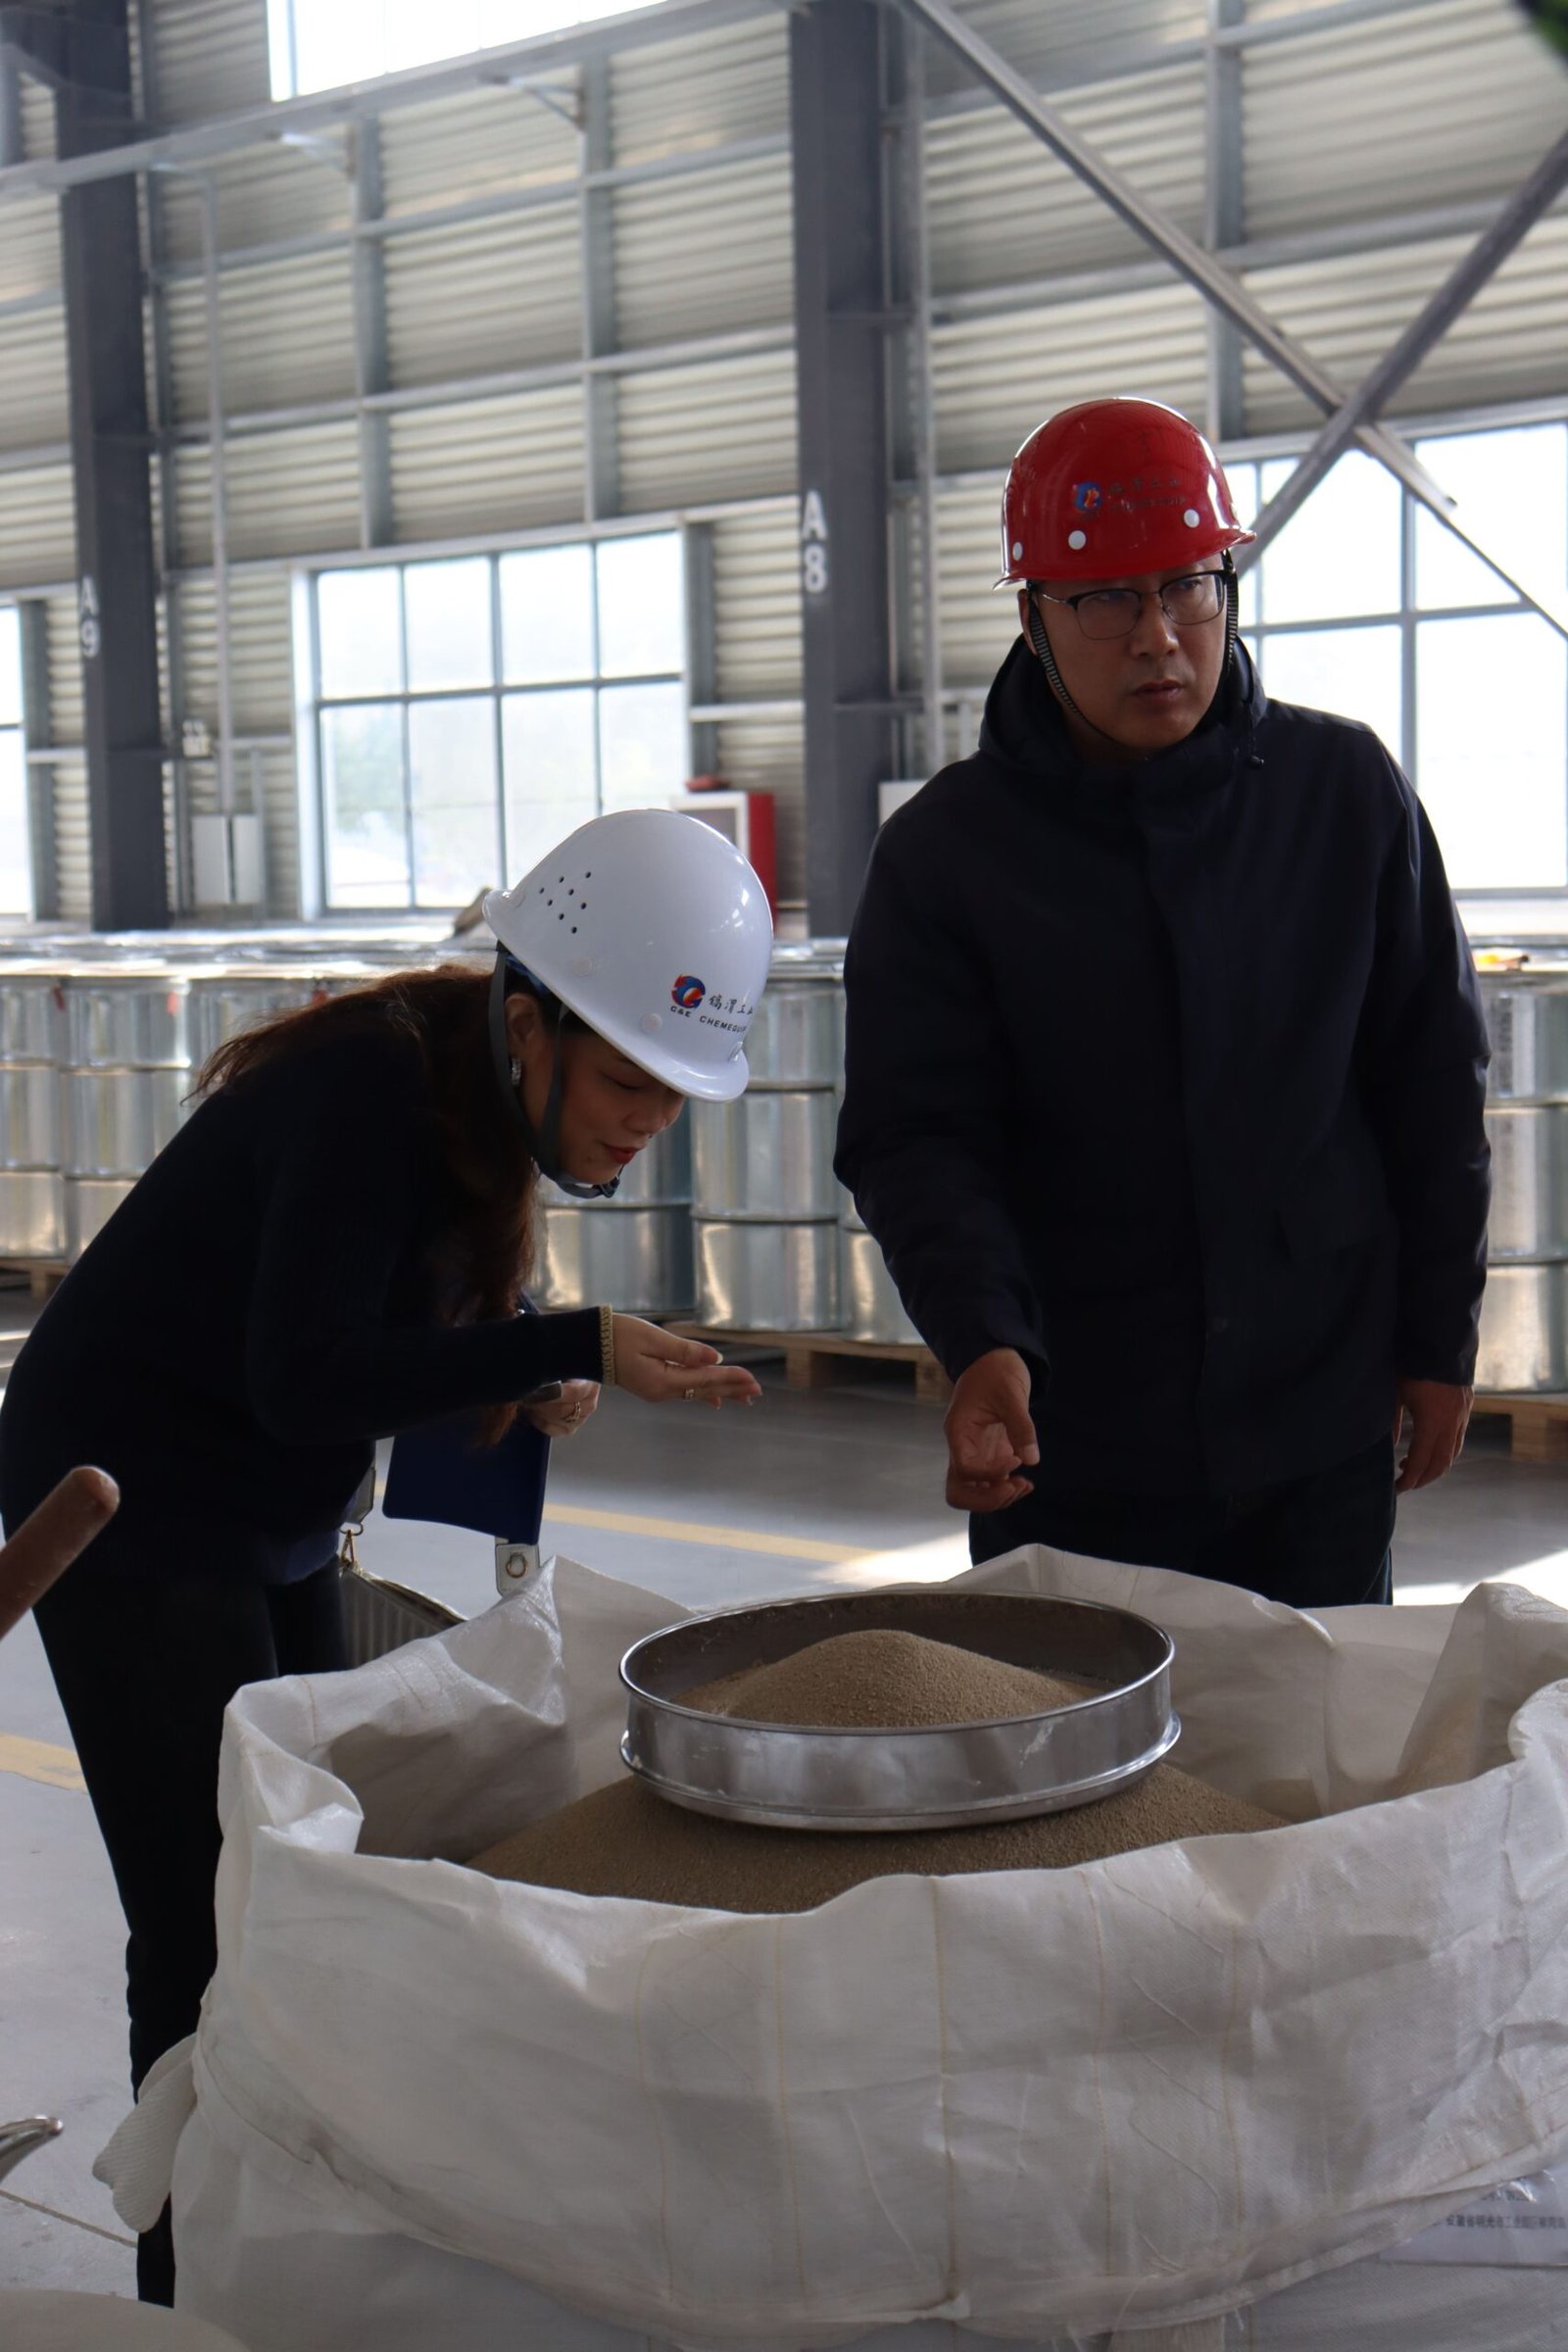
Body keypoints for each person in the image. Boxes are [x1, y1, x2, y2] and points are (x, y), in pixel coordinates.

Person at [0, 806, 772, 2304]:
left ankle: (287, 2233)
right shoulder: (370, 1091)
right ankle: (189, 2282)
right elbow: (307, 1372)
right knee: (209, 1903)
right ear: (529, 1020)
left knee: (309, 1868)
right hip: (132, 1502)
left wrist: (515, 1369)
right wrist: (565, 1336)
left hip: (254, 1489)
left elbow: (375, 1340)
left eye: (677, 1100)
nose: (646, 1125)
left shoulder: (466, 1106)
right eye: (627, 1083)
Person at [837, 396, 1490, 1604]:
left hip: (1316, 1427)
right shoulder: (949, 857)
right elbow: (916, 1133)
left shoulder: (1341, 796)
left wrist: (1436, 1339)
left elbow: (1431, 1081)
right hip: (1077, 1439)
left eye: (1189, 585)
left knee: (1310, 1766)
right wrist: (981, 1344)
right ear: (1033, 619)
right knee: (1082, 1781)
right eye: (1105, 599)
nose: (1159, 637)